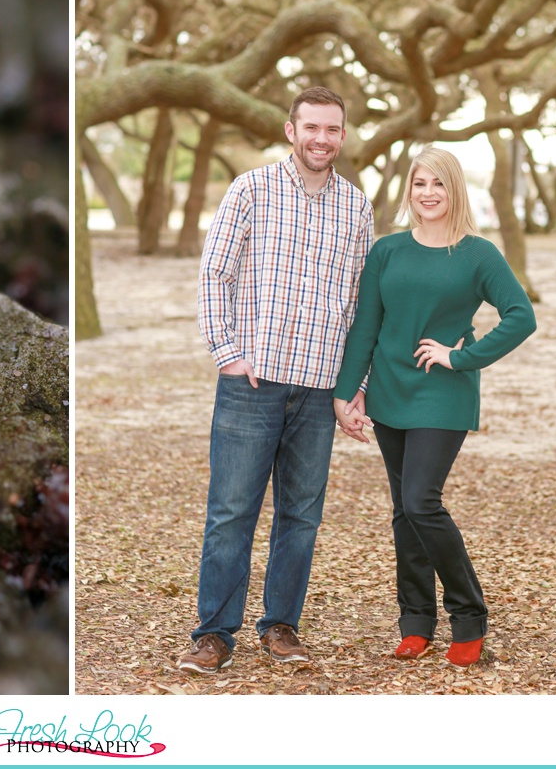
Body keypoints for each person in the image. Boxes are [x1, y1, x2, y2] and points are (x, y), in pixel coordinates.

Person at [178, 86, 375, 674]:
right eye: (311, 127)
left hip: (319, 389)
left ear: (343, 134)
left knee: (302, 516)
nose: (321, 138)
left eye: (332, 129)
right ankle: (213, 635)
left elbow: (363, 305)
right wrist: (228, 353)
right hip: (252, 384)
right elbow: (215, 274)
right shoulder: (252, 189)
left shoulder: (357, 207)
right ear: (291, 129)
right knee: (232, 511)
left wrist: (353, 384)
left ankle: (281, 627)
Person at [332, 146, 536, 667]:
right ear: (410, 190)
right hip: (389, 393)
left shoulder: (477, 254)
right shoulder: (388, 251)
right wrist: (346, 390)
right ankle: (416, 621)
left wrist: (462, 356)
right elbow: (367, 325)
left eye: (438, 184)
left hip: (442, 392)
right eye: (419, 183)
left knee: (422, 500)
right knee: (405, 511)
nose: (428, 193)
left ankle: (469, 616)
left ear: (454, 190)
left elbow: (520, 316)